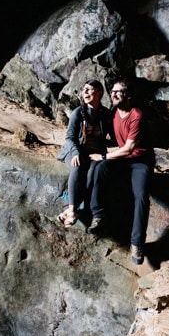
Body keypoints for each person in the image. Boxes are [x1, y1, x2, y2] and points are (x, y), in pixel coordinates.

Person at [86, 76, 154, 265]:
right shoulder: (113, 113)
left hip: (141, 162)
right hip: (123, 160)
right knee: (100, 169)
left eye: (118, 92)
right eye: (112, 91)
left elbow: (129, 148)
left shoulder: (136, 115)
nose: (114, 94)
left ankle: (137, 244)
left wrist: (105, 156)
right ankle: (97, 215)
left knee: (140, 196)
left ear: (129, 96)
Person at [56, 80, 110, 228]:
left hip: (94, 153)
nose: (84, 93)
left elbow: (115, 136)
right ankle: (72, 210)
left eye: (89, 89)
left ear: (99, 92)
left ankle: (77, 210)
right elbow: (70, 137)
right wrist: (75, 152)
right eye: (83, 90)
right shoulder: (77, 113)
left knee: (94, 171)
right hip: (74, 150)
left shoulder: (105, 114)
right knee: (78, 166)